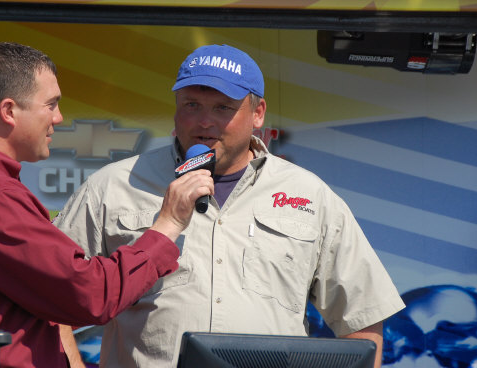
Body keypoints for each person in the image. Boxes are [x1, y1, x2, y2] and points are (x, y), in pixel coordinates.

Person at [55, 44, 406, 368]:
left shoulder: (310, 195)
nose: (204, 121)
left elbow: (362, 319)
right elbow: (48, 297)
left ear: (258, 113)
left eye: (223, 108)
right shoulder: (113, 186)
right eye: (192, 105)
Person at [0, 42, 213, 368]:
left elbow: (47, 297)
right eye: (50, 105)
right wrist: (167, 226)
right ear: (8, 111)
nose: (59, 117)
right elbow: (91, 294)